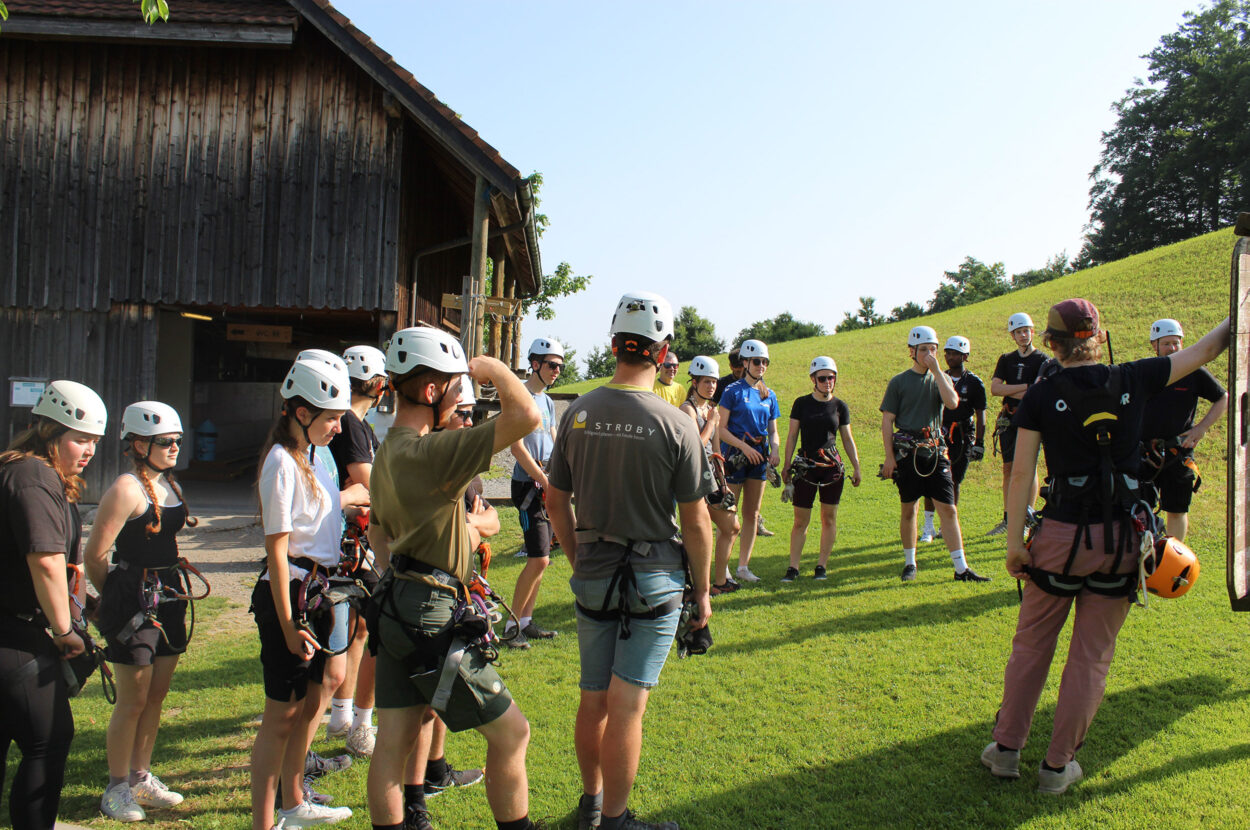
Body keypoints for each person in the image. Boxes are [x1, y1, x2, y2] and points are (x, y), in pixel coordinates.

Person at [982, 299, 1229, 794]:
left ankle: (1006, 751)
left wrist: (1014, 544)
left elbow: (1023, 475)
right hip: (1123, 540)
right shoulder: (1134, 377)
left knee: (1032, 646)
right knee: (1091, 657)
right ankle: (1056, 767)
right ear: (1098, 335)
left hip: (1058, 537)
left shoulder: (1040, 394)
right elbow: (1206, 349)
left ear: (1051, 342)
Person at [545, 289, 714, 830]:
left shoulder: (579, 412)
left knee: (593, 697)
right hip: (655, 579)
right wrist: (705, 592)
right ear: (663, 351)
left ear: (614, 342)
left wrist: (577, 558)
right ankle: (615, 821)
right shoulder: (677, 424)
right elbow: (696, 522)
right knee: (627, 707)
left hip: (593, 574)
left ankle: (591, 806)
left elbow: (555, 499)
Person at [365, 326, 542, 830]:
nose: (461, 395)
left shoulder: (387, 453)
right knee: (513, 735)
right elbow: (526, 414)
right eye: (454, 385)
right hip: (432, 612)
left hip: (396, 603)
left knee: (393, 743)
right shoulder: (433, 454)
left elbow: (379, 534)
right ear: (430, 390)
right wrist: (489, 369)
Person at [249, 358, 355, 829]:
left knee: (311, 703)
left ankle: (293, 804)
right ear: (299, 411)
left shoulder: (312, 457)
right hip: (292, 592)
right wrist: (290, 624)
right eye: (331, 417)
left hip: (319, 588)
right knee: (281, 717)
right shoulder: (279, 463)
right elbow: (275, 551)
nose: (338, 427)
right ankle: (264, 822)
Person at [0, 380, 104, 830]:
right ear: (47, 431)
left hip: (12, 628)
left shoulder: (24, 470)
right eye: (80, 438)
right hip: (13, 632)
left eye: (95, 442)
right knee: (49, 738)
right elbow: (44, 560)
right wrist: (65, 632)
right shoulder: (33, 475)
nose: (89, 451)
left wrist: (85, 606)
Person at [85, 402, 197, 821]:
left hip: (169, 594)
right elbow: (95, 555)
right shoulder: (126, 489)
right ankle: (116, 788)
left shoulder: (168, 484)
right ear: (138, 444)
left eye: (177, 442)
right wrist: (114, 602)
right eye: (165, 442)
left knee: (157, 695)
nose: (173, 448)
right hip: (137, 599)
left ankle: (140, 777)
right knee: (132, 699)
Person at [398, 378, 487, 829]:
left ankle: (432, 774)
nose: (469, 422)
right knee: (424, 705)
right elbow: (467, 527)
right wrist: (478, 526)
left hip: (448, 593)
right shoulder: (433, 460)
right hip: (429, 596)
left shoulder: (454, 460)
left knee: (431, 703)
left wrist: (478, 525)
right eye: (463, 413)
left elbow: (478, 519)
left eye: (473, 415)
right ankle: (416, 801)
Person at [880, 326, 989, 583]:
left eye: (933, 349)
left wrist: (937, 370)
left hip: (936, 451)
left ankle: (961, 568)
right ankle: (910, 562)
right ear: (912, 352)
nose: (929, 354)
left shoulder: (942, 378)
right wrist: (889, 457)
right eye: (924, 350)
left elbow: (952, 403)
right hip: (908, 453)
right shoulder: (899, 382)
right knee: (909, 509)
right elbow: (887, 421)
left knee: (948, 509)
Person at [326, 344, 388, 758]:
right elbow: (366, 479)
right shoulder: (351, 423)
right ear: (379, 385)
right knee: (366, 629)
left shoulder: (353, 422)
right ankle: (353, 719)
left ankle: (341, 715)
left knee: (359, 630)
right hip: (350, 542)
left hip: (351, 539)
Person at [1139, 318, 1228, 541]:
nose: (1173, 348)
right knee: (1141, 509)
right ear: (1154, 345)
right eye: (1167, 343)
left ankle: (1173, 563)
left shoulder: (1194, 372)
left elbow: (1222, 398)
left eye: (1176, 343)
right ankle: (1142, 559)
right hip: (1144, 454)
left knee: (1177, 511)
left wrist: (1201, 429)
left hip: (1178, 454)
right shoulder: (1144, 371)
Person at [503, 337, 564, 649]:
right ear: (536, 363)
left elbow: (556, 442)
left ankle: (525, 621)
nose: (557, 371)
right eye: (552, 365)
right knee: (539, 558)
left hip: (546, 481)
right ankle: (512, 625)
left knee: (544, 560)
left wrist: (562, 475)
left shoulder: (549, 402)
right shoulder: (520, 397)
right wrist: (542, 478)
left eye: (560, 366)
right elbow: (516, 447)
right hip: (528, 485)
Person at [780, 356, 862, 582]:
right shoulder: (801, 403)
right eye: (823, 378)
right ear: (813, 379)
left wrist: (856, 467)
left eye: (831, 378)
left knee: (829, 518)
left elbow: (847, 438)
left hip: (831, 467)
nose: (828, 382)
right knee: (800, 520)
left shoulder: (839, 406)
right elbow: (792, 435)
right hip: (806, 466)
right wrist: (787, 465)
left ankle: (821, 566)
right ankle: (793, 567)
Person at [717, 338, 780, 583]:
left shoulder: (769, 394)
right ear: (745, 362)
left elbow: (773, 430)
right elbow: (721, 429)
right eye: (756, 361)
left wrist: (774, 449)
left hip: (759, 457)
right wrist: (743, 446)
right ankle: (723, 569)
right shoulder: (732, 392)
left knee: (752, 514)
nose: (761, 366)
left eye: (765, 362)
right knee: (729, 513)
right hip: (736, 457)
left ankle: (743, 566)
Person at [679, 356, 741, 595]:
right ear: (694, 382)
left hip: (712, 477)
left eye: (714, 382)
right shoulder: (687, 409)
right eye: (706, 382)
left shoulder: (711, 409)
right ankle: (705, 584)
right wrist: (712, 423)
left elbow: (716, 450)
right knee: (702, 533)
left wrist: (723, 482)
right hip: (694, 477)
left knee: (731, 527)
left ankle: (716, 581)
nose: (711, 386)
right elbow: (696, 446)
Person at [920, 336, 987, 543]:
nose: (950, 357)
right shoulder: (939, 377)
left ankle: (947, 526)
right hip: (940, 433)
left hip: (963, 435)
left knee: (955, 480)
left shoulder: (974, 383)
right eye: (947, 353)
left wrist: (979, 443)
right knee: (931, 477)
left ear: (965, 356)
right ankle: (928, 526)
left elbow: (980, 414)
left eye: (955, 354)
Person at [987, 313, 1047, 535]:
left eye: (1026, 331)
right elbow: (995, 389)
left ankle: (1026, 518)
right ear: (1013, 335)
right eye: (1018, 332)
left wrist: (1012, 388)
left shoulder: (1043, 360)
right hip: (1008, 418)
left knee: (1028, 468)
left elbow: (1038, 392)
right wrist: (1025, 387)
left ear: (1032, 331)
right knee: (1008, 469)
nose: (1023, 335)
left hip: (1031, 419)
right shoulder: (1006, 359)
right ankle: (1008, 518)